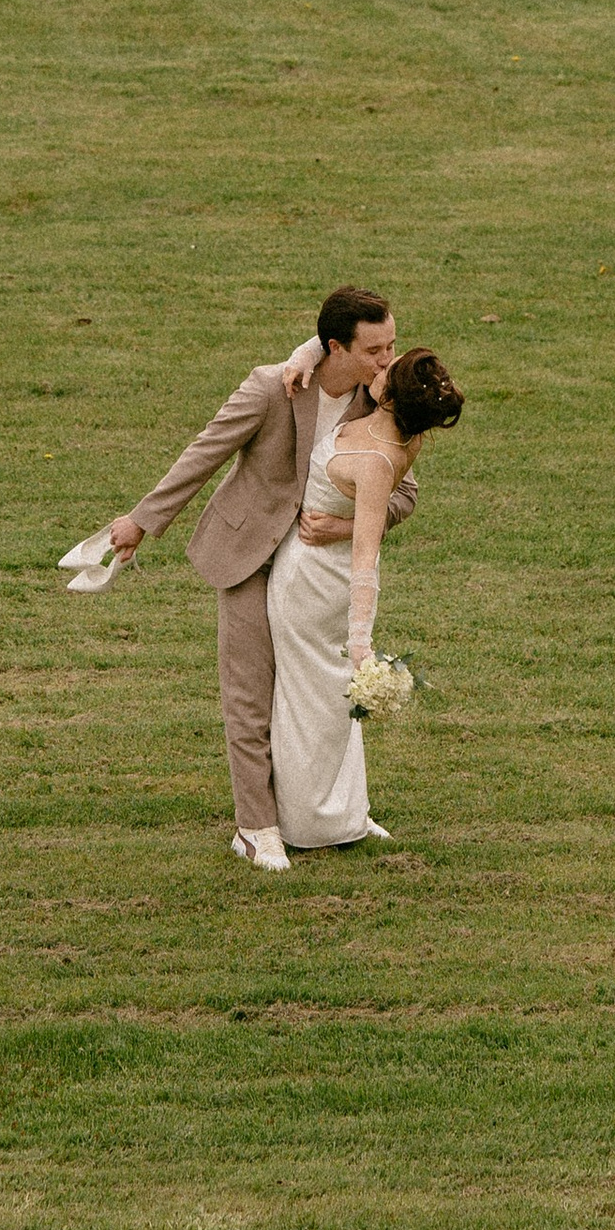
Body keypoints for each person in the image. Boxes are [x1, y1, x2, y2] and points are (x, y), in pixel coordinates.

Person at [105, 288, 420, 874]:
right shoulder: (273, 386)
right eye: (376, 349)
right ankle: (256, 828)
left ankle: (343, 814)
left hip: (314, 572)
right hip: (246, 556)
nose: (388, 360)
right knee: (250, 695)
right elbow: (205, 452)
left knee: (327, 690)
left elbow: (404, 492)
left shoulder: (380, 402)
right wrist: (142, 521)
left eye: (392, 346)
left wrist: (345, 524)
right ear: (335, 348)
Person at [268, 348, 462, 854]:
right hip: (300, 572)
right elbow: (345, 335)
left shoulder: (382, 459)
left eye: (387, 372)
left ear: (394, 398)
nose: (381, 367)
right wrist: (305, 353)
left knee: (323, 702)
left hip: (319, 585)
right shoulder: (401, 413)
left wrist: (361, 642)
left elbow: (365, 561)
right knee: (309, 699)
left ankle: (329, 818)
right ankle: (324, 813)